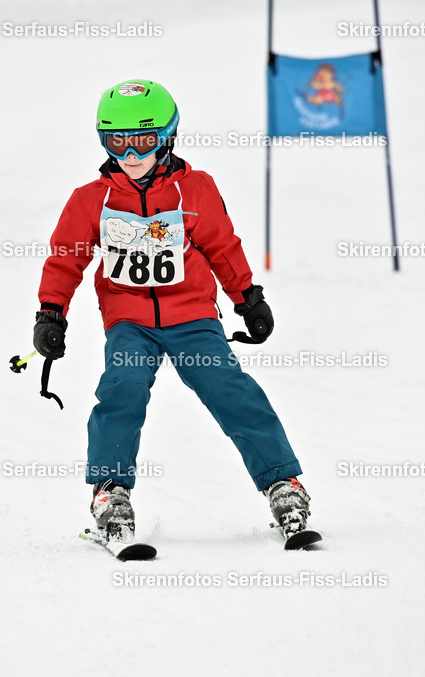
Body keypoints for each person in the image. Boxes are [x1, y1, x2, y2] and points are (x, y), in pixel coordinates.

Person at [34, 79, 311, 545]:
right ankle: (110, 492)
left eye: (143, 141)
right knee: (121, 389)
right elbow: (66, 258)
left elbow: (222, 246)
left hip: (192, 316)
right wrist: (50, 312)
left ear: (167, 137)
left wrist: (247, 298)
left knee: (230, 388)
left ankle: (283, 483)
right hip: (129, 319)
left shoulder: (195, 190)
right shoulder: (91, 200)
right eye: (117, 141)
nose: (130, 153)